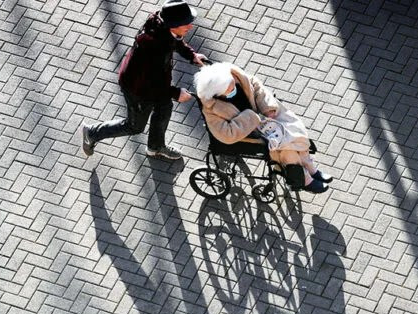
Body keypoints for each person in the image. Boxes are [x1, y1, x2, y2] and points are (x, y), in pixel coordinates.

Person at [81, 0, 208, 161]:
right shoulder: (154, 47)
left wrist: (192, 55)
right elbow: (153, 84)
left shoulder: (162, 26)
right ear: (172, 25)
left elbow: (176, 41)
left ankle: (155, 147)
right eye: (186, 24)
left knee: (164, 107)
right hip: (138, 89)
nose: (190, 26)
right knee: (134, 126)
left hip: (151, 83)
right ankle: (92, 133)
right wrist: (176, 93)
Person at [193, 62, 332, 192]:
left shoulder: (234, 75)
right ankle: (304, 178)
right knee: (285, 146)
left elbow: (256, 85)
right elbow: (226, 134)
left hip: (265, 116)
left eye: (233, 85)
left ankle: (309, 168)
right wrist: (250, 118)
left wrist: (267, 107)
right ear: (217, 94)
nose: (234, 88)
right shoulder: (212, 109)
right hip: (249, 132)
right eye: (229, 90)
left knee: (293, 129)